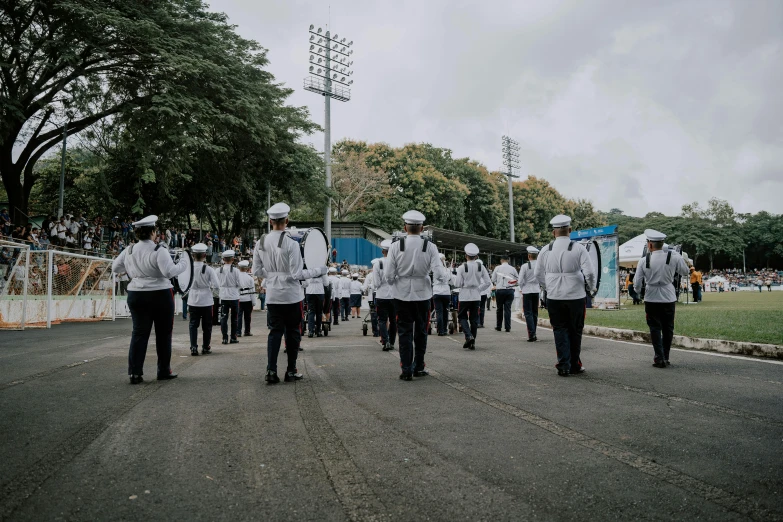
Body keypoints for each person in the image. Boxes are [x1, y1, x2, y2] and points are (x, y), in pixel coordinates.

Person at [253, 203, 328, 383]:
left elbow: (256, 271)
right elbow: (296, 274)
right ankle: (291, 370)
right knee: (293, 332)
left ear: (271, 221)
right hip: (291, 296)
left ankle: (271, 371)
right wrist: (318, 270)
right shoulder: (291, 243)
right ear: (286, 221)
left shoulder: (260, 242)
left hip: (272, 295)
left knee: (274, 333)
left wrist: (272, 276)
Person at [111, 215, 187, 384]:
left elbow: (115, 267)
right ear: (153, 232)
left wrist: (133, 268)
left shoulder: (129, 250)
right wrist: (184, 264)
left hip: (136, 293)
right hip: (160, 293)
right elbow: (169, 272)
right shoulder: (158, 250)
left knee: (139, 333)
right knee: (163, 334)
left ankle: (135, 373)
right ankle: (163, 370)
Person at [534, 214, 596, 377]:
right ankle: (575, 364)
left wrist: (548, 287)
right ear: (569, 230)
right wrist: (592, 288)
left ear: (554, 233)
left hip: (555, 296)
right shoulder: (578, 248)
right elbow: (589, 273)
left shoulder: (545, 250)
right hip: (576, 296)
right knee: (575, 330)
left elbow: (538, 273)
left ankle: (563, 364)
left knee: (559, 329)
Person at [384, 210, 441, 380]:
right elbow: (438, 271)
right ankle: (419, 366)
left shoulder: (395, 246)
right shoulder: (430, 246)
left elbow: (388, 274)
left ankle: (406, 369)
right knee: (421, 332)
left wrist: (396, 283)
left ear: (405, 227)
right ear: (422, 228)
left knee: (404, 332)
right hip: (422, 293)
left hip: (401, 295)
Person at [633, 229, 690, 368]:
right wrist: (678, 256)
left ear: (650, 245)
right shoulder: (674, 257)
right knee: (668, 328)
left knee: (655, 328)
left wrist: (638, 293)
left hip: (651, 296)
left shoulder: (643, 260)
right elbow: (686, 272)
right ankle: (666, 356)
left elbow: (637, 283)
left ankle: (659, 357)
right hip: (668, 296)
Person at [453, 243, 491, 350]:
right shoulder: (481, 266)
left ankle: (468, 336)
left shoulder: (462, 267)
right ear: (476, 256)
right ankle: (472, 341)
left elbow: (457, 284)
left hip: (465, 295)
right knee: (474, 319)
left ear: (466, 256)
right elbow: (488, 282)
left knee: (462, 316)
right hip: (476, 295)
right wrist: (479, 289)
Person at [188, 243, 220, 355]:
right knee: (207, 326)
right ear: (205, 255)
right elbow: (216, 285)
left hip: (192, 299)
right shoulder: (209, 269)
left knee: (193, 325)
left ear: (192, 255)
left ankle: (193, 347)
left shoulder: (189, 268)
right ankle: (206, 346)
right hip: (206, 299)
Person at [374, 241, 398, 349]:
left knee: (382, 320)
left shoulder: (377, 263)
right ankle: (392, 342)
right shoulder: (396, 262)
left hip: (381, 295)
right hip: (394, 295)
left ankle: (385, 341)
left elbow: (376, 283)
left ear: (382, 251)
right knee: (393, 320)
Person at [217, 250, 241, 344]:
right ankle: (233, 337)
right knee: (234, 318)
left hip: (223, 296)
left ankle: (224, 338)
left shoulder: (218, 270)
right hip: (234, 296)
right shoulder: (236, 271)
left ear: (223, 259)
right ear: (232, 259)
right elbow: (240, 284)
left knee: (224, 318)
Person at [518, 246, 541, 342]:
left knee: (528, 313)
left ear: (529, 256)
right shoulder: (540, 265)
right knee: (534, 312)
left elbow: (520, 281)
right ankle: (534, 332)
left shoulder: (525, 266)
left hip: (527, 290)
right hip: (536, 290)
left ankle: (531, 334)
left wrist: (523, 287)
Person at [491, 255, 518, 332]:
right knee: (508, 309)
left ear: (501, 260)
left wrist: (498, 282)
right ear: (508, 260)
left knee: (499, 309)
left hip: (500, 290)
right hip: (510, 290)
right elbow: (517, 279)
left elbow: (493, 279)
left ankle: (499, 326)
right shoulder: (513, 269)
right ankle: (507, 327)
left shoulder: (497, 268)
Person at [432, 252, 452, 336]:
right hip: (446, 292)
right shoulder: (447, 270)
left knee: (439, 312)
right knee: (445, 312)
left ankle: (440, 330)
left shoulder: (435, 269)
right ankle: (444, 329)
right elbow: (450, 280)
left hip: (437, 291)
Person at [305, 265, 329, 338]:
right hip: (319, 292)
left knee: (311, 312)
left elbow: (306, 282)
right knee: (319, 312)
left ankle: (311, 331)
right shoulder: (322, 270)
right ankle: (318, 330)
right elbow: (326, 283)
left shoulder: (309, 269)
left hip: (310, 291)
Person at [237, 260, 257, 337]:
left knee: (239, 316)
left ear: (239, 267)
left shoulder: (237, 277)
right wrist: (253, 302)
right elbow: (252, 291)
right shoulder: (250, 278)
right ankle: (247, 331)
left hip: (239, 299)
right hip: (248, 299)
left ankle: (238, 332)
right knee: (247, 317)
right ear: (247, 268)